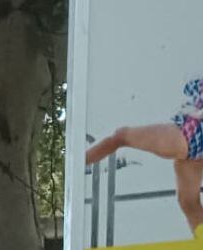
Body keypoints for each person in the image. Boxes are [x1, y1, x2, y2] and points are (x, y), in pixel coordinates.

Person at [85, 77, 203, 234]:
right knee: (188, 203)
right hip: (193, 141)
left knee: (121, 136)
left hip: (192, 135)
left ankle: (77, 164)